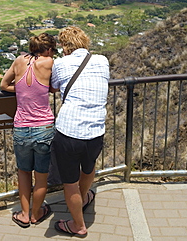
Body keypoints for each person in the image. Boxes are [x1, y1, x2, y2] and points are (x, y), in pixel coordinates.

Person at [50, 26, 110, 238]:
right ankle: (84, 198)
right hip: (96, 129)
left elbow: (55, 86)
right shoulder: (102, 60)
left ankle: (78, 225)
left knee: (69, 182)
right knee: (88, 168)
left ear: (64, 46)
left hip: (69, 131)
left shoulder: (60, 63)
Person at [0, 33, 57, 228]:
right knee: (41, 177)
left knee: (23, 172)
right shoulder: (50, 62)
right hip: (44, 127)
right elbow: (55, 88)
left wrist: (22, 90)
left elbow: (3, 84)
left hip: (22, 127)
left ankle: (24, 214)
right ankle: (36, 213)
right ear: (48, 49)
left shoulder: (18, 61)